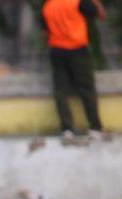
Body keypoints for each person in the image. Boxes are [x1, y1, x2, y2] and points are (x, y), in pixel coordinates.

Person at [41, 0, 107, 139]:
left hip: (57, 51)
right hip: (77, 50)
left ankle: (67, 129)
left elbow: (45, 31)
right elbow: (100, 14)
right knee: (86, 88)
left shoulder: (48, 6)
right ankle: (95, 127)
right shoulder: (77, 2)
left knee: (60, 90)